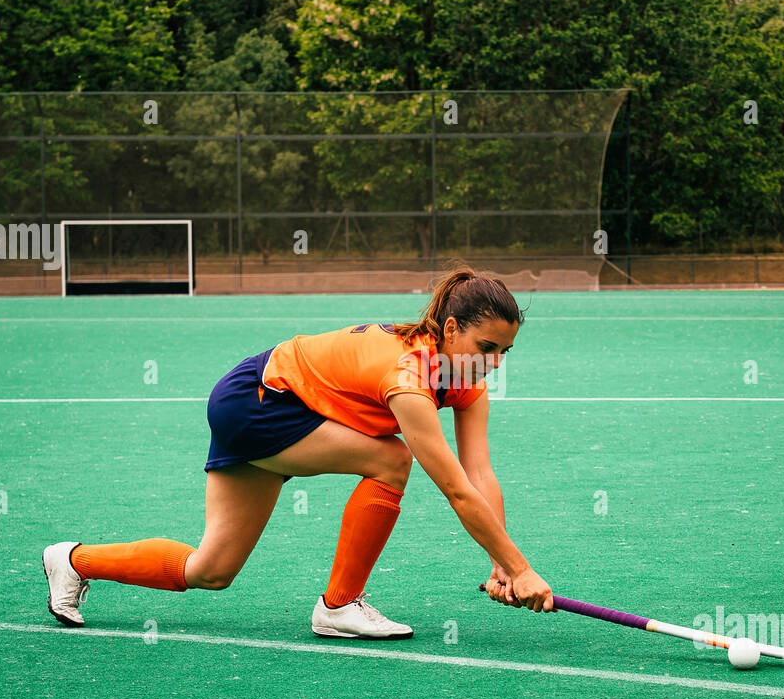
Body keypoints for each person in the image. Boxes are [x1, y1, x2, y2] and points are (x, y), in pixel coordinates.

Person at [41, 265, 554, 638]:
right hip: (259, 402)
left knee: (211, 570)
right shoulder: (409, 375)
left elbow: (480, 473)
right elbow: (458, 490)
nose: (496, 362)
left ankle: (73, 560)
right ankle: (338, 606)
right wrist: (522, 567)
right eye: (487, 348)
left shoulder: (465, 378)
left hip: (288, 410)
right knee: (392, 458)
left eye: (505, 351)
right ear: (449, 331)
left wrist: (500, 565)